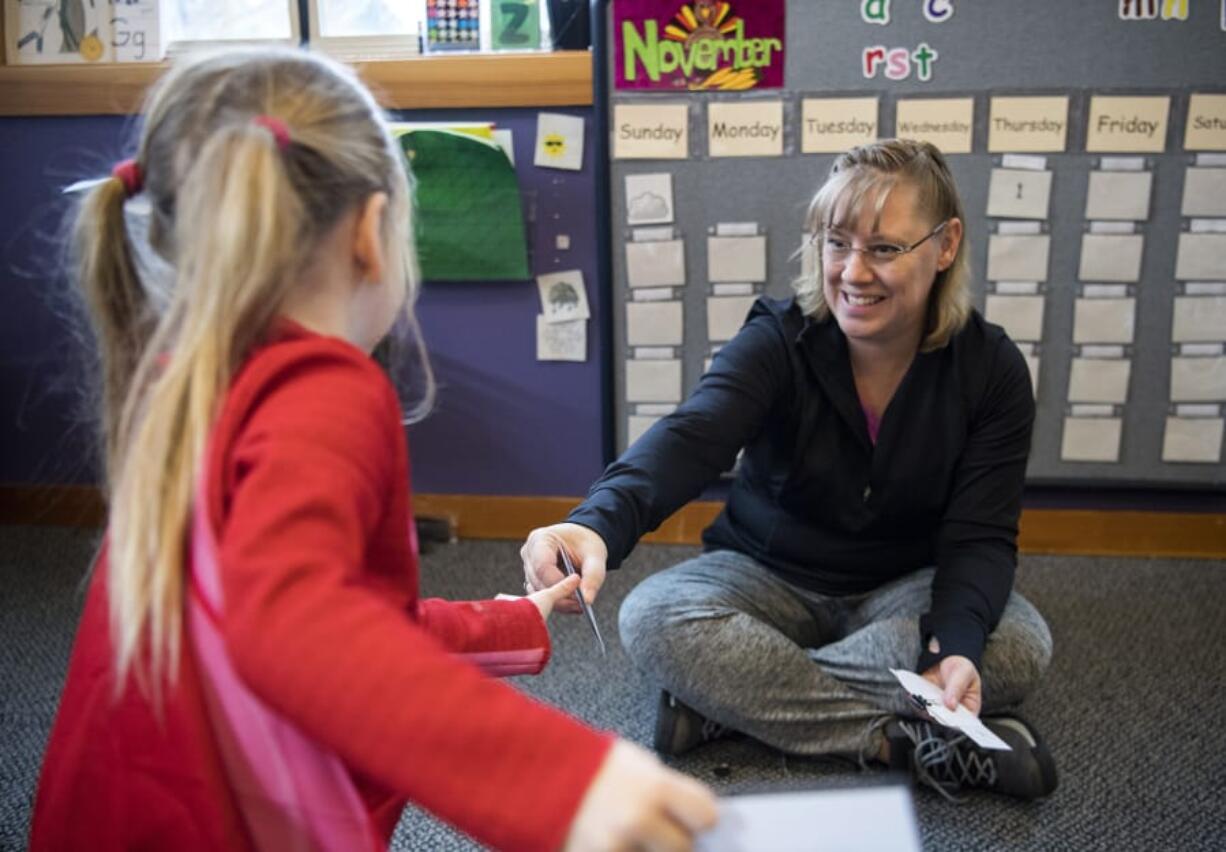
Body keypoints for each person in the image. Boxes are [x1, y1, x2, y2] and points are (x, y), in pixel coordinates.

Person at [30, 49, 716, 852]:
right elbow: (298, 629)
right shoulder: (320, 388)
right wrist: (572, 783)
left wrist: (505, 622)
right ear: (368, 231)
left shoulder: (191, 376)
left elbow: (324, 616)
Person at [523, 139, 1058, 802]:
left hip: (904, 590)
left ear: (945, 246)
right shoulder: (777, 339)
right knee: (653, 616)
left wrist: (950, 645)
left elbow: (979, 538)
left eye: (884, 248)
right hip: (765, 577)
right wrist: (594, 526)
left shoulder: (991, 370)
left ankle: (724, 708)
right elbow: (690, 438)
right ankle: (900, 739)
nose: (853, 272)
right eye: (837, 243)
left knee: (1016, 644)